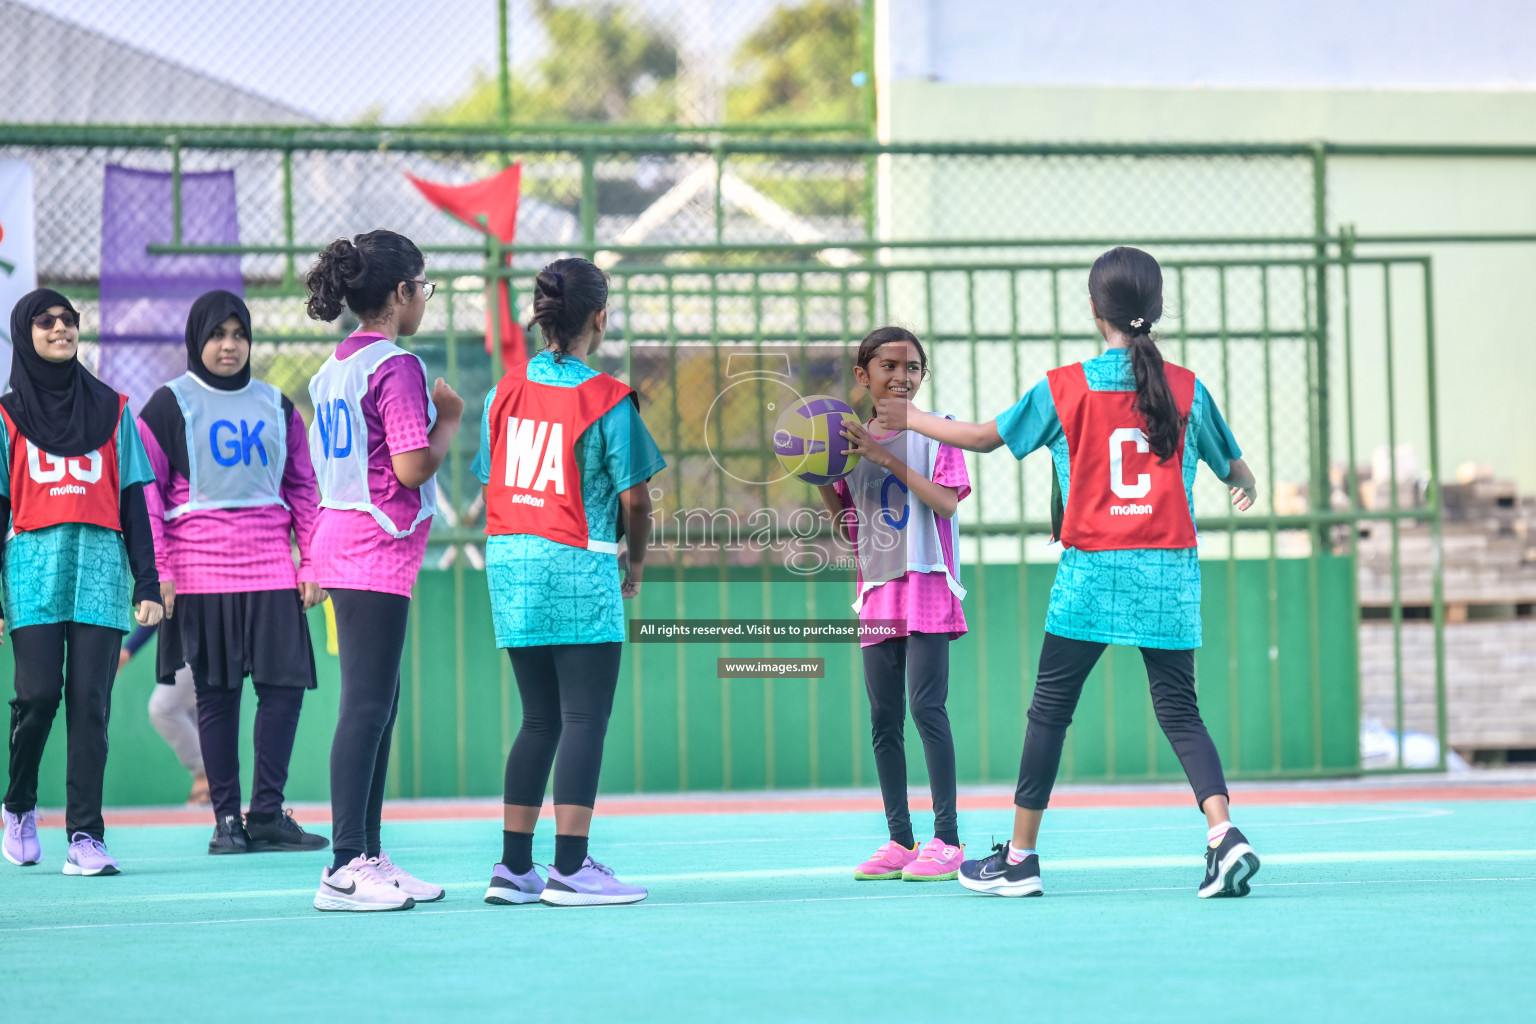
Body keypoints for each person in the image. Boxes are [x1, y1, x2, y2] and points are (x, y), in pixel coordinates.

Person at [874, 247, 1263, 899]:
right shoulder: (1188, 387)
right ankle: (1223, 833)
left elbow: (984, 437)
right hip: (1169, 574)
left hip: (1093, 573)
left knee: (1049, 712)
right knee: (1180, 710)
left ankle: (1020, 858)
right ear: (1156, 309)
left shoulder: (1066, 386)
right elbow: (1235, 469)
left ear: (1093, 309)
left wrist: (911, 417)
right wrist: (1240, 480)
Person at [477, 258, 664, 908]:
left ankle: (513, 867)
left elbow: (491, 477)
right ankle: (571, 866)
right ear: (600, 318)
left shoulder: (504, 390)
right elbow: (636, 500)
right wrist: (634, 563)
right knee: (585, 716)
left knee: (538, 719)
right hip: (578, 562)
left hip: (511, 564)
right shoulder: (606, 398)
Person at [304, 230, 463, 912]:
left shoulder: (331, 367)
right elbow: (410, 466)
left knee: (379, 704)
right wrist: (450, 418)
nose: (423, 300)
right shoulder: (395, 367)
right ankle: (343, 866)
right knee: (367, 707)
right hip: (374, 541)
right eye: (422, 288)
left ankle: (367, 853)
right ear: (401, 294)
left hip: (347, 535)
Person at [138, 290, 329, 855]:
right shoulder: (168, 405)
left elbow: (303, 488)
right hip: (200, 578)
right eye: (218, 335)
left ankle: (266, 813)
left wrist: (311, 560)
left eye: (239, 334)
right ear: (198, 341)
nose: (230, 345)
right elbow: (146, 494)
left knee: (284, 689)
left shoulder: (276, 405)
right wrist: (160, 570)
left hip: (272, 571)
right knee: (216, 698)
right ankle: (227, 822)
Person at [0, 289, 163, 876]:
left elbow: (133, 500)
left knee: (90, 705)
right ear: (26, 334)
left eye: (69, 321)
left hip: (99, 574)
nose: (62, 329)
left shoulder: (114, 410)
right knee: (38, 695)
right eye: (47, 322)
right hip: (32, 576)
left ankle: (85, 837)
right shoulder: (5, 415)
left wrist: (148, 582)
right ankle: (17, 805)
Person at [814, 326, 971, 883]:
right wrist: (820, 478)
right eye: (889, 367)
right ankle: (900, 840)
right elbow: (850, 529)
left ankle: (947, 839)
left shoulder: (941, 431)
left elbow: (947, 505)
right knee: (884, 718)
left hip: (927, 582)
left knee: (927, 709)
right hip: (878, 589)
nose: (901, 377)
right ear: (864, 376)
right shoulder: (847, 443)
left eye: (913, 368)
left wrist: (885, 456)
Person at [119, 624, 208, 806]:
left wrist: (128, 651)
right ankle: (213, 781)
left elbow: (159, 604)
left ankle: (207, 773)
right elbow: (159, 605)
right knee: (192, 712)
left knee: (163, 708)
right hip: (189, 646)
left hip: (203, 645)